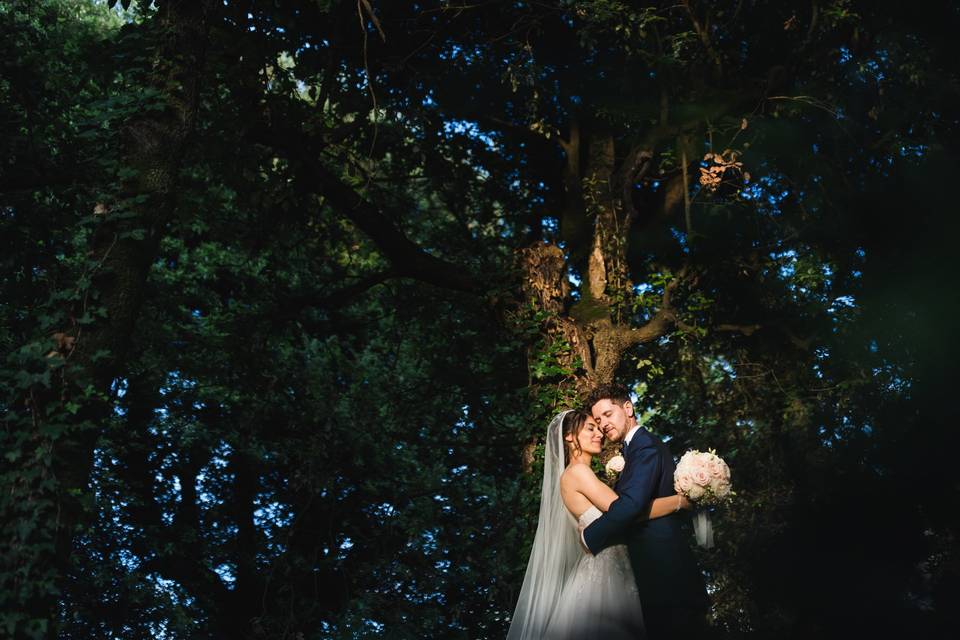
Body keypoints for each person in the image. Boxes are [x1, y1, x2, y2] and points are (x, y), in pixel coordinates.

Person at [507, 409, 689, 640]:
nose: (599, 433)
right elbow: (628, 512)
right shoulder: (577, 472)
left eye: (599, 428)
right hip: (605, 573)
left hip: (618, 565)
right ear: (569, 437)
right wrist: (680, 501)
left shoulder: (582, 475)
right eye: (590, 428)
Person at [582, 384, 710, 639]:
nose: (603, 424)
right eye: (597, 420)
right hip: (659, 573)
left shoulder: (644, 447)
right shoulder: (635, 449)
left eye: (608, 414)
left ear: (628, 408)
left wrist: (590, 535)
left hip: (665, 573)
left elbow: (630, 505)